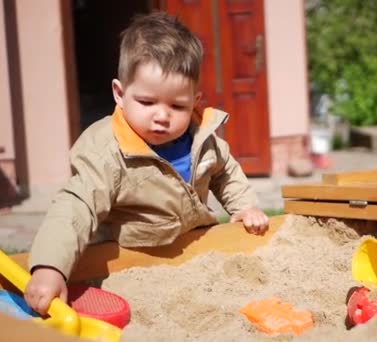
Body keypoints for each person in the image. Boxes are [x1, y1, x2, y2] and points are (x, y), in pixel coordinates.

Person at [24, 12, 269, 315]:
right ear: (120, 93)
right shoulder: (106, 151)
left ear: (195, 101)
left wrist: (244, 207)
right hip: (131, 260)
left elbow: (225, 172)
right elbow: (76, 206)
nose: (162, 116)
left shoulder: (201, 137)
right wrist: (50, 266)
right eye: (147, 102)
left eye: (177, 105)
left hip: (198, 252)